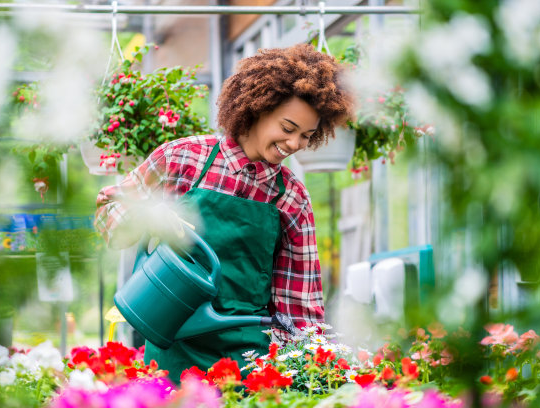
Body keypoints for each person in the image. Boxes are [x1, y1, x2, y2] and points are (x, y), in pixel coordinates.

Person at [94, 43, 354, 382]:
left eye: (306, 136)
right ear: (258, 108)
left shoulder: (291, 197)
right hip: (172, 347)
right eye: (287, 128)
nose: (294, 144)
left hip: (247, 362)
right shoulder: (183, 160)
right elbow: (109, 207)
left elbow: (299, 306)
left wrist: (313, 375)